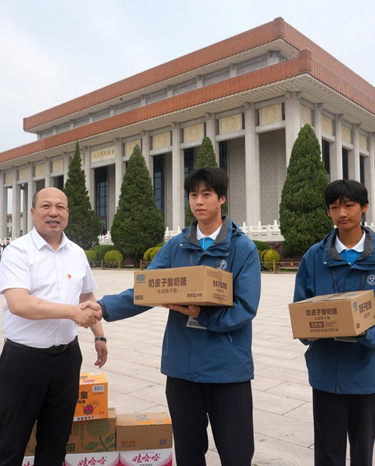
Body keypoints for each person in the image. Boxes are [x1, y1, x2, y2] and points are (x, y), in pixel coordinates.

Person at [83, 167, 261, 466]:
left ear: (222, 198)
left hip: (227, 368)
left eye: (206, 194)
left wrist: (202, 314)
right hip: (182, 368)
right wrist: (104, 307)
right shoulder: (176, 246)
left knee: (236, 453)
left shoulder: (242, 248)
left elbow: (245, 306)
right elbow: (146, 289)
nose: (198, 201)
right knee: (188, 452)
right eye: (193, 195)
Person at [293, 179, 375, 466]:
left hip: (368, 370)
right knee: (327, 452)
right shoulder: (314, 257)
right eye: (334, 207)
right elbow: (302, 306)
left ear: (364, 207)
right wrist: (309, 332)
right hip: (327, 370)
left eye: (349, 205)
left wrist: (367, 330)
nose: (342, 213)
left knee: (362, 452)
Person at [0, 187, 107, 466]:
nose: (53, 212)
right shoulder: (18, 252)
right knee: (11, 443)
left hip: (67, 359)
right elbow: (19, 303)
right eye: (46, 206)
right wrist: (71, 312)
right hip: (24, 361)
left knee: (56, 443)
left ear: (67, 213)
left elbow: (86, 295)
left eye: (60, 207)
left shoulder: (77, 253)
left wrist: (100, 336)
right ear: (33, 212)